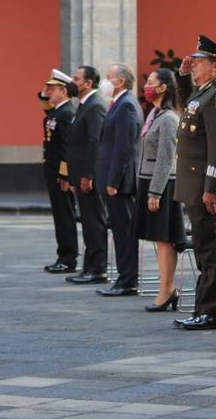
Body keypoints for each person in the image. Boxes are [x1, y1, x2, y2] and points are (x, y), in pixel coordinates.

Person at [171, 35, 216, 330]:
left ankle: (211, 311)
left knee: (210, 250)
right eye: (194, 62)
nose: (194, 66)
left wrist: (212, 189)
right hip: (194, 184)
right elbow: (186, 107)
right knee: (202, 247)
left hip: (205, 187)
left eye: (199, 62)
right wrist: (183, 78)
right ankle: (204, 306)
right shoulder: (204, 93)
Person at [135, 68, 185, 311]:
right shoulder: (154, 113)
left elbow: (166, 158)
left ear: (164, 87)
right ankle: (166, 287)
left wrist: (155, 192)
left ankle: (167, 289)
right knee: (158, 238)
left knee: (165, 240)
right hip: (150, 180)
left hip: (163, 184)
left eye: (151, 82)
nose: (147, 85)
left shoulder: (168, 118)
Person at [95, 63, 144, 297]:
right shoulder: (119, 104)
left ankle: (128, 281)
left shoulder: (127, 106)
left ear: (121, 82)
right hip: (115, 181)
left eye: (108, 77)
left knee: (124, 232)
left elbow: (124, 148)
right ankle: (125, 278)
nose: (105, 81)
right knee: (119, 231)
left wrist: (113, 180)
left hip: (121, 184)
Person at [65, 65, 109, 284]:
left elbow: (95, 142)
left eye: (76, 78)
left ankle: (98, 268)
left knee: (95, 221)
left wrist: (88, 175)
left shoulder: (95, 106)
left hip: (88, 176)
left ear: (88, 83)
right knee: (88, 222)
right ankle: (89, 267)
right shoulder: (84, 105)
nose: (72, 82)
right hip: (80, 173)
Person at [41, 69, 79, 274]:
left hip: (60, 175)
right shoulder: (57, 111)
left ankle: (68, 257)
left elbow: (67, 147)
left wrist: (65, 175)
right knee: (59, 215)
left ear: (63, 91)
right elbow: (45, 106)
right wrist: (44, 93)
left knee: (65, 215)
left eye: (52, 88)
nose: (48, 92)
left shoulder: (66, 113)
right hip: (52, 172)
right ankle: (63, 255)